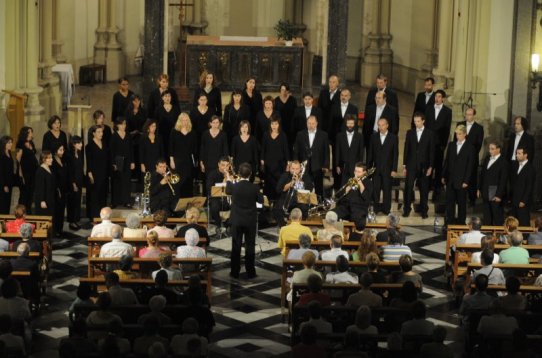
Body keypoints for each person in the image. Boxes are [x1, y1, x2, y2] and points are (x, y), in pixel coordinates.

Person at [225, 162, 263, 278]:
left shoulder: (234, 186)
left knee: (236, 246)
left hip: (236, 220)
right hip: (250, 220)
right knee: (250, 246)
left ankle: (234, 271)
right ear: (250, 174)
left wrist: (228, 179)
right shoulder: (255, 188)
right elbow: (260, 202)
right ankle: (250, 272)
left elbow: (227, 191)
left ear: (239, 173)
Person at [402, 112, 435, 218]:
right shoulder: (410, 132)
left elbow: (431, 151)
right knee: (408, 187)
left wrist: (430, 166)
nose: (416, 123)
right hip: (411, 165)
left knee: (424, 189)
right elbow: (406, 149)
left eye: (418, 121)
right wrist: (404, 165)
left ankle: (424, 210)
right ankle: (406, 209)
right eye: (415, 121)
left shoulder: (429, 133)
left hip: (424, 166)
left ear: (423, 121)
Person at [442, 125, 475, 225]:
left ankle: (461, 223)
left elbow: (470, 166)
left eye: (460, 134)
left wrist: (466, 181)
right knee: (449, 203)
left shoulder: (470, 147)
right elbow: (446, 161)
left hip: (462, 181)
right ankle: (449, 223)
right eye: (456, 134)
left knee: (461, 204)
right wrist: (443, 175)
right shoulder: (451, 145)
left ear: (465, 134)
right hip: (450, 179)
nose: (457, 136)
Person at [425, 89, 452, 201]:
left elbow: (447, 129)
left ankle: (437, 191)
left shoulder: (447, 111)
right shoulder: (428, 109)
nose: (437, 98)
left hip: (439, 144)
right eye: (436, 96)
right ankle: (426, 188)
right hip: (428, 144)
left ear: (443, 99)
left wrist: (443, 145)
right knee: (428, 166)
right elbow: (425, 126)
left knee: (438, 167)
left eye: (439, 96)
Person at [367, 117, 398, 214]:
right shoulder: (373, 137)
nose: (380, 127)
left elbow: (395, 154)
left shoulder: (393, 137)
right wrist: (368, 169)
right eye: (379, 125)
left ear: (387, 125)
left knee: (387, 190)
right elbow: (370, 154)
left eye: (382, 125)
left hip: (388, 169)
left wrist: (394, 169)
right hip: (376, 169)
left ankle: (386, 209)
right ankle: (376, 209)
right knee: (375, 190)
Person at [293, 115, 329, 197]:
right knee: (304, 186)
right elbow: (296, 150)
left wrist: (325, 165)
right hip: (304, 166)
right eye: (309, 123)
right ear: (306, 123)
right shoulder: (300, 134)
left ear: (316, 123)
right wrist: (295, 163)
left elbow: (326, 151)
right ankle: (304, 206)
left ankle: (319, 206)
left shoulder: (323, 135)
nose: (311, 125)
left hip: (318, 166)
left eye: (313, 123)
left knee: (319, 187)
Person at [456, 107, 485, 206]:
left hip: (472, 158)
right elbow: (456, 140)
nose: (468, 116)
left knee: (472, 179)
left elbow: (478, 145)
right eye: (467, 114)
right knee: (459, 176)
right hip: (459, 157)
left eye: (470, 114)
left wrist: (469, 154)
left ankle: (472, 200)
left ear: (474, 115)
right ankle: (459, 198)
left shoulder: (479, 128)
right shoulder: (460, 124)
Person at [332, 162, 373, 230]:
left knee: (359, 222)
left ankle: (354, 236)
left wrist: (360, 184)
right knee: (331, 214)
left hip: (359, 208)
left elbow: (367, 198)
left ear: (364, 172)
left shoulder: (368, 183)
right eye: (355, 171)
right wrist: (346, 190)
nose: (356, 174)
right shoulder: (349, 180)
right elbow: (339, 195)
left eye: (359, 172)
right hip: (346, 207)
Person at [273, 160, 313, 227]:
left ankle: (300, 227)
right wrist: (290, 184)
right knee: (278, 208)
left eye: (297, 169)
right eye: (293, 169)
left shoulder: (305, 176)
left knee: (304, 208)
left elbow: (310, 188)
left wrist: (298, 181)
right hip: (286, 199)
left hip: (300, 201)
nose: (295, 171)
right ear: (290, 168)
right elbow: (278, 189)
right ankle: (283, 227)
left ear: (300, 169)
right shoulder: (285, 175)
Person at [478, 140, 508, 225]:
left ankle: (498, 235)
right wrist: (479, 188)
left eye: (492, 149)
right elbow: (482, 174)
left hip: (494, 191)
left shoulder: (503, 162)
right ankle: (488, 235)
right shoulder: (487, 159)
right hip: (485, 190)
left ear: (498, 149)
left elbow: (503, 180)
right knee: (487, 214)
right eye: (489, 148)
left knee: (496, 214)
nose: (490, 150)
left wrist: (499, 195)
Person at [260, 116, 290, 201]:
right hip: (268, 164)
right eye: (272, 124)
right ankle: (268, 202)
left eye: (276, 124)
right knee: (268, 183)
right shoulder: (266, 134)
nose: (274, 126)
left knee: (278, 183)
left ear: (279, 125)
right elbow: (263, 148)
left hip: (280, 164)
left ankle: (278, 201)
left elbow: (286, 150)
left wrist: (288, 162)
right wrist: (262, 160)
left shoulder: (283, 135)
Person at [363, 92, 399, 160]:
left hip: (384, 136)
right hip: (371, 135)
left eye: (379, 98)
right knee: (370, 156)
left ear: (385, 99)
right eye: (376, 98)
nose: (377, 100)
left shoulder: (392, 110)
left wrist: (391, 140)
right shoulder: (369, 108)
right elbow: (365, 125)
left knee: (382, 157)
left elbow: (394, 127)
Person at [169, 113, 198, 198]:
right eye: (183, 120)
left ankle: (187, 202)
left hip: (188, 161)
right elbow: (171, 147)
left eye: (186, 120)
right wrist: (171, 160)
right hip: (177, 161)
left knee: (188, 182)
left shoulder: (192, 132)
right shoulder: (174, 131)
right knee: (178, 183)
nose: (184, 122)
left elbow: (195, 149)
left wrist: (195, 162)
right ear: (179, 121)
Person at [109, 117, 134, 208]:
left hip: (127, 160)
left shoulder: (128, 135)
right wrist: (113, 163)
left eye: (125, 124)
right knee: (116, 181)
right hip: (117, 160)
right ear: (117, 125)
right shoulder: (114, 136)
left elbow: (131, 149)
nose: (124, 126)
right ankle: (115, 202)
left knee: (126, 181)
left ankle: (126, 201)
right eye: (122, 124)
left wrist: (132, 162)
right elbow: (111, 151)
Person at [199, 116, 229, 192]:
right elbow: (202, 149)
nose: (215, 124)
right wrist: (201, 162)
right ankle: (207, 201)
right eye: (213, 122)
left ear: (219, 124)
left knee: (219, 182)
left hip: (219, 164)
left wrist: (226, 164)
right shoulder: (205, 134)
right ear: (210, 123)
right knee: (208, 183)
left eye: (217, 122)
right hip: (208, 163)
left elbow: (225, 149)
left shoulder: (223, 134)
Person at [86, 125, 109, 220]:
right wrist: (90, 174)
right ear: (93, 133)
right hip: (94, 174)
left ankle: (102, 216)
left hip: (104, 174)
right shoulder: (89, 146)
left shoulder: (105, 143)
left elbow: (107, 159)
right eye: (99, 132)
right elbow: (89, 161)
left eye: (102, 132)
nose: (101, 134)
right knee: (94, 196)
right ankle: (94, 217)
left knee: (103, 196)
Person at [335, 114, 364, 187]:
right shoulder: (339, 136)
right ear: (345, 123)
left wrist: (360, 166)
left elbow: (361, 152)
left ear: (354, 124)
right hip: (343, 166)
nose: (350, 125)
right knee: (343, 185)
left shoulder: (359, 136)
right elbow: (337, 151)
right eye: (348, 123)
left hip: (355, 166)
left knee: (354, 186)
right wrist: (337, 165)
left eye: (352, 123)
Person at [509, 147, 535, 226]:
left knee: (523, 221)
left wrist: (523, 200)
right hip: (514, 200)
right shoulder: (515, 166)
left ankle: (525, 237)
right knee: (513, 222)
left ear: (525, 155)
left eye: (519, 153)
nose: (517, 155)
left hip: (523, 202)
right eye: (516, 153)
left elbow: (529, 186)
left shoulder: (530, 168)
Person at [15, 127, 38, 213]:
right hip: (25, 173)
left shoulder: (31, 142)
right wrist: (21, 174)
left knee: (31, 193)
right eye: (29, 132)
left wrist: (31, 148)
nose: (31, 133)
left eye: (32, 131)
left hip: (33, 172)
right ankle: (20, 213)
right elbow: (18, 160)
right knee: (24, 194)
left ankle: (28, 212)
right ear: (25, 133)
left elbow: (33, 153)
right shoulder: (20, 144)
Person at [154, 89, 180, 158]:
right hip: (161, 135)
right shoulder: (158, 109)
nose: (167, 98)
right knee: (162, 153)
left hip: (173, 134)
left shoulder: (176, 109)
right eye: (165, 96)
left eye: (169, 96)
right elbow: (155, 122)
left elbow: (179, 122)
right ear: (162, 98)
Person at [205, 156, 230, 227]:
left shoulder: (230, 175)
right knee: (215, 206)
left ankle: (228, 223)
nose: (225, 167)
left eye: (227, 165)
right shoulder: (212, 174)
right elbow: (209, 189)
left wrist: (228, 178)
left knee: (237, 204)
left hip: (227, 198)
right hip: (215, 198)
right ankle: (218, 223)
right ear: (218, 164)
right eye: (223, 165)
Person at [67, 136, 84, 230]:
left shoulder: (80, 153)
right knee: (72, 202)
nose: (81, 145)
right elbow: (69, 171)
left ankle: (76, 220)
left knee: (77, 201)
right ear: (74, 144)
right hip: (72, 182)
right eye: (79, 143)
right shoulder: (70, 155)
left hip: (79, 180)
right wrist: (73, 183)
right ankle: (71, 221)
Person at [51, 143, 69, 236]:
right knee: (56, 210)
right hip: (56, 189)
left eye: (63, 150)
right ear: (55, 151)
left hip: (63, 188)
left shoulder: (63, 160)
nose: (62, 152)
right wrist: (57, 188)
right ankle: (55, 230)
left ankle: (60, 228)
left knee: (61, 209)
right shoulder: (53, 161)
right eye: (60, 150)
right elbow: (53, 177)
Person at [318, 74, 341, 139]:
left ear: (338, 83)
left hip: (335, 124)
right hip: (324, 123)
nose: (331, 84)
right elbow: (319, 108)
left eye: (334, 82)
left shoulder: (341, 95)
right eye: (330, 82)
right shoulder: (323, 92)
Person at [274, 82, 297, 148]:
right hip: (280, 126)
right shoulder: (276, 100)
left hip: (291, 126)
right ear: (280, 90)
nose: (284, 92)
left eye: (286, 90)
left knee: (289, 144)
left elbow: (295, 113)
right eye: (282, 90)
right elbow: (275, 115)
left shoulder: (293, 100)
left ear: (288, 91)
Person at [33, 150, 55, 216]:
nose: (52, 159)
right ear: (44, 159)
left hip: (49, 198)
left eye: (51, 157)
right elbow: (40, 187)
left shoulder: (49, 168)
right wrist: (42, 201)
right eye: (49, 158)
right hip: (43, 201)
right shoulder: (40, 171)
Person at [0, 136, 15, 214]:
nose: (11, 144)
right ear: (4, 143)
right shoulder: (1, 155)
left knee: (7, 203)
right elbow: (1, 172)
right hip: (3, 184)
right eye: (9, 142)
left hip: (9, 183)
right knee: (3, 204)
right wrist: (4, 185)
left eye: (11, 142)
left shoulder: (9, 153)